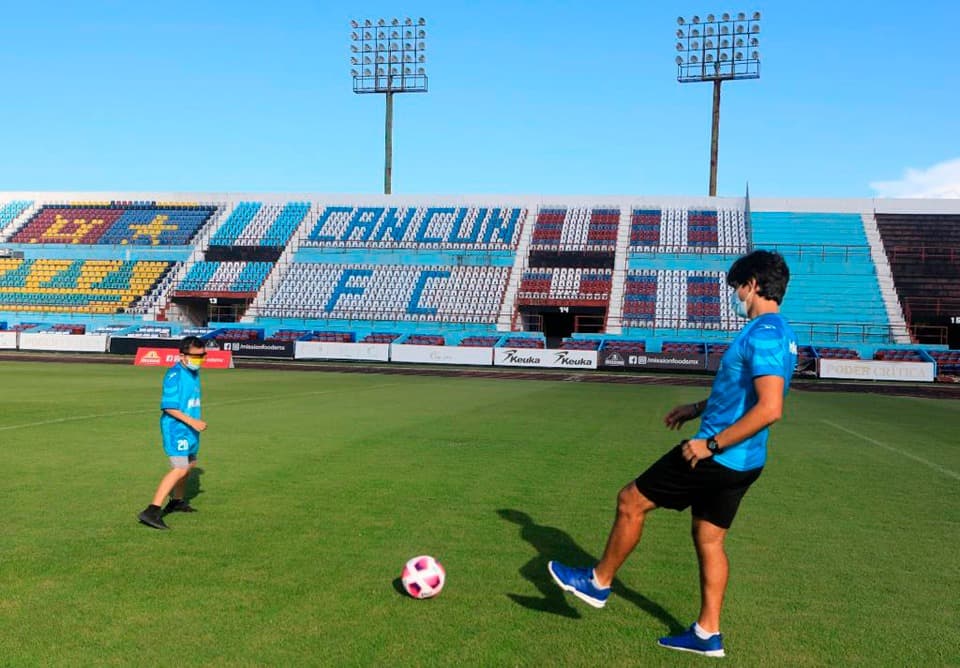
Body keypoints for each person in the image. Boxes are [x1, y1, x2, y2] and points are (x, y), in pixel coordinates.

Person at [548, 250, 797, 658]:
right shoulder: (780, 331)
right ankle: (707, 633)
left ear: (753, 284)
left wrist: (710, 444)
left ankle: (597, 583)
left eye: (737, 287)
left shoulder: (763, 333)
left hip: (716, 456)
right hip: (745, 461)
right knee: (709, 539)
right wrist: (696, 409)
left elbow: (770, 408)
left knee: (630, 501)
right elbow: (740, 393)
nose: (735, 295)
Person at [137, 336, 208, 530]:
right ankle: (152, 510)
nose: (200, 359)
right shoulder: (174, 375)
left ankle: (177, 501)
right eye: (196, 356)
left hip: (190, 429)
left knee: (190, 463)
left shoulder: (194, 372)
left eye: (203, 355)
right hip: (177, 429)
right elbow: (169, 407)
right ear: (182, 356)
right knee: (180, 468)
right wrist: (193, 421)